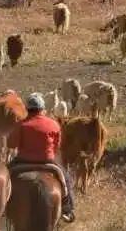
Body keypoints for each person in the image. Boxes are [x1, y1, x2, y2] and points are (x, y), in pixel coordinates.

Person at [7, 93, 75, 223]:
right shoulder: (54, 124)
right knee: (66, 179)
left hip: (22, 161)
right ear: (43, 108)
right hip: (47, 161)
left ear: (27, 109)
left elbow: (11, 144)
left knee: (5, 175)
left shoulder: (21, 124)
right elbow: (56, 146)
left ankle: (1, 206)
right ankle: (67, 209)